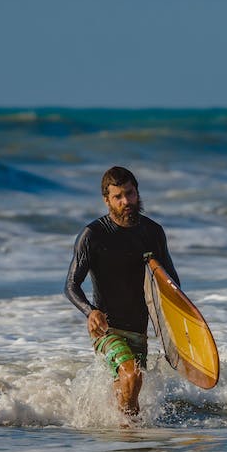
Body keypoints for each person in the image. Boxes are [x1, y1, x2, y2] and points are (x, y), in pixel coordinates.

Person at [65, 166, 180, 423]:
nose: (126, 201)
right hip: (108, 330)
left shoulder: (152, 232)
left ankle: (118, 435)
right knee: (131, 376)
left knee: (127, 388)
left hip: (139, 333)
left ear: (137, 192)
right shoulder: (93, 235)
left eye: (130, 194)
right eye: (118, 197)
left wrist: (177, 330)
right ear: (106, 200)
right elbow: (71, 285)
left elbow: (172, 282)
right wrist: (90, 311)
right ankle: (131, 434)